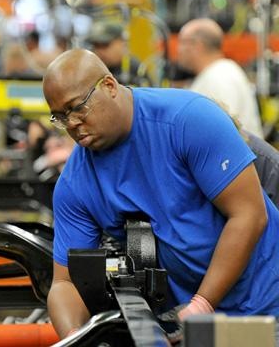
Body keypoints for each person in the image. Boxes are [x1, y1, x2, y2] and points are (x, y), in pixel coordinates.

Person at [42, 49, 279, 341]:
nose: (73, 124)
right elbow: (65, 282)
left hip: (268, 305)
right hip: (194, 323)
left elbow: (249, 215)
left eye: (78, 107)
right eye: (60, 116)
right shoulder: (75, 184)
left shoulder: (187, 119)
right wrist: (76, 336)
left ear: (109, 86)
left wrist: (202, 303)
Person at [177, 18, 264, 138]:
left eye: (182, 42)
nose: (178, 50)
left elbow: (223, 132)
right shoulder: (216, 73)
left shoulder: (220, 78)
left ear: (197, 45)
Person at [87, 20, 150, 87]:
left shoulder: (136, 70)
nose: (100, 51)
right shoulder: (91, 69)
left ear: (121, 42)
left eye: (105, 45)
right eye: (96, 46)